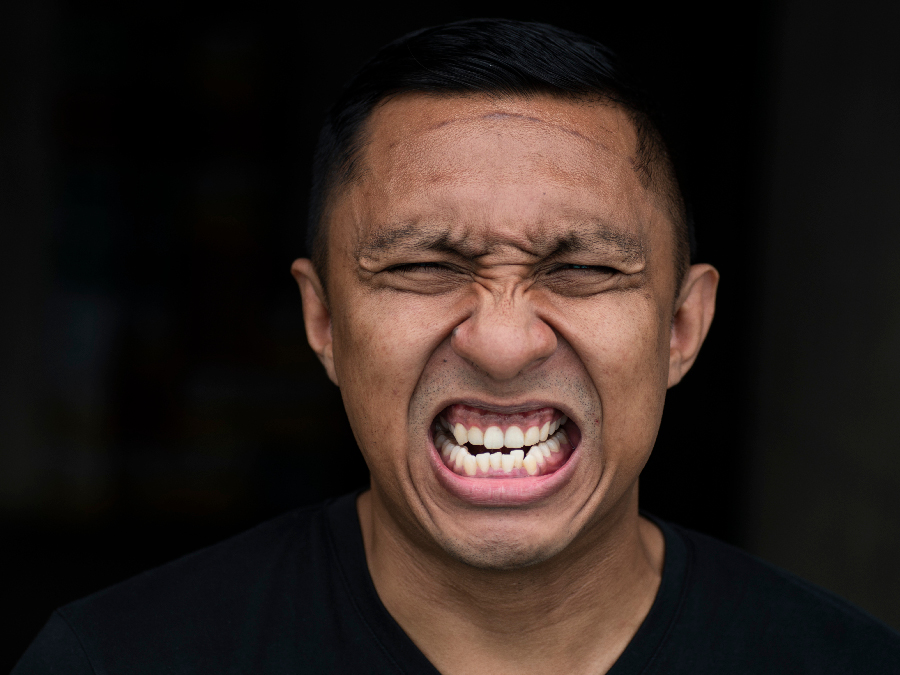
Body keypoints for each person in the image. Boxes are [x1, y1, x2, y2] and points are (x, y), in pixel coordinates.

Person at [13, 18, 900, 675]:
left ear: (681, 327)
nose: (505, 342)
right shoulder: (118, 661)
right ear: (323, 322)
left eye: (584, 267)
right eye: (426, 265)